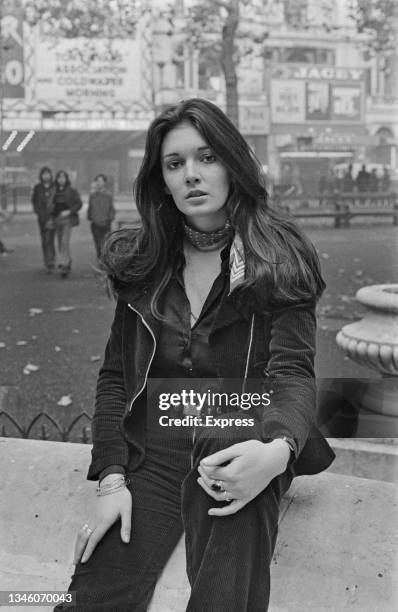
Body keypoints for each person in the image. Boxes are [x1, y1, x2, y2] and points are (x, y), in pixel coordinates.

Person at [55, 98, 335, 612]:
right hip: (156, 450)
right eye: (175, 163)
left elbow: (292, 372)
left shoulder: (279, 256)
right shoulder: (144, 261)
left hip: (248, 436)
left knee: (227, 448)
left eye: (207, 157)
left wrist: (276, 454)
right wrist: (113, 481)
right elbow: (116, 377)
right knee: (85, 601)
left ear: (232, 163)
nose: (192, 175)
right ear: (161, 180)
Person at [49, 170, 82, 278]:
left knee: (64, 242)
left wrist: (69, 211)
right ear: (57, 179)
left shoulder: (72, 190)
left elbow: (79, 203)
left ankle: (64, 265)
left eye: (63, 177)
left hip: (67, 220)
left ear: (66, 179)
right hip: (56, 219)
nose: (61, 179)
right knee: (60, 243)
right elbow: (49, 204)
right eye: (59, 177)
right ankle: (67, 260)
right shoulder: (53, 190)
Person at [31, 166, 56, 272]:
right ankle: (47, 260)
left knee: (50, 239)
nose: (46, 175)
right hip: (41, 218)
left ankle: (51, 261)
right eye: (44, 173)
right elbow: (34, 201)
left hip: (52, 217)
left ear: (51, 175)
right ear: (41, 175)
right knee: (44, 240)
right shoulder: (37, 188)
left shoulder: (55, 187)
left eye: (48, 173)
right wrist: (38, 212)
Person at [87, 174, 115, 262]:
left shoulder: (109, 195)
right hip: (95, 224)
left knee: (106, 245)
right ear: (95, 183)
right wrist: (91, 217)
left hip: (106, 224)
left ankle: (106, 265)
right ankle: (101, 264)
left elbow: (111, 208)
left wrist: (109, 219)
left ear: (105, 183)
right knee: (98, 246)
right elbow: (90, 208)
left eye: (101, 181)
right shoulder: (92, 195)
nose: (99, 183)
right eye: (97, 181)